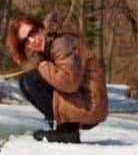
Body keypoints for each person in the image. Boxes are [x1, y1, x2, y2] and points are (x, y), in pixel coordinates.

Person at [7, 11, 108, 143]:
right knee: (26, 80)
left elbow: (69, 83)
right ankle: (63, 127)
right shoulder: (50, 45)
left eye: (32, 32)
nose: (32, 40)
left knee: (30, 80)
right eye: (26, 41)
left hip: (90, 106)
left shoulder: (62, 43)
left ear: (41, 27)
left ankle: (68, 131)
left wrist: (44, 66)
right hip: (85, 103)